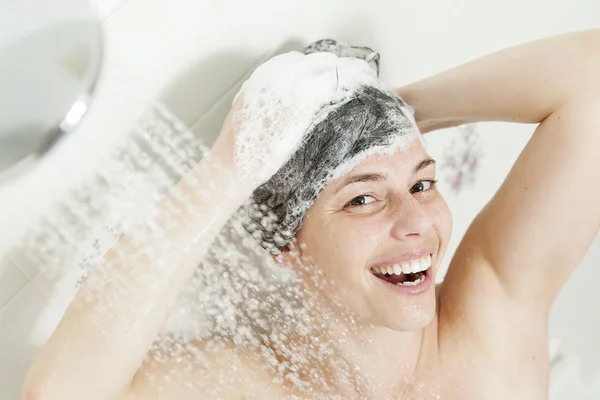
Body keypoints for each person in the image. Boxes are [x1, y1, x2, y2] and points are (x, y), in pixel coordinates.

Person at [22, 29, 600, 400]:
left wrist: (391, 110)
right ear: (284, 245)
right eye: (363, 198)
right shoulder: (241, 385)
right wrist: (229, 169)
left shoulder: (488, 322)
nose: (417, 223)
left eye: (422, 183)